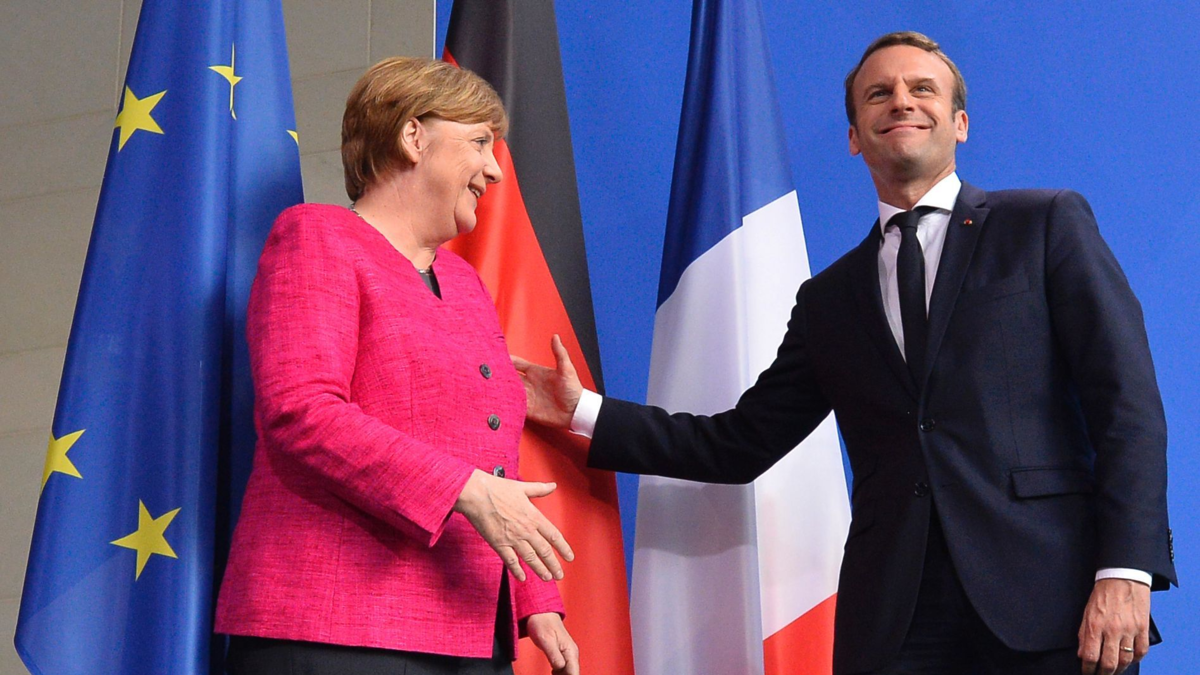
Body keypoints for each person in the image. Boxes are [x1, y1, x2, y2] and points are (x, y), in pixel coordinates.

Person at [516, 32, 1174, 675]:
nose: (902, 101)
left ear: (960, 123)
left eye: (923, 89)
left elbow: (1127, 405)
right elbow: (738, 442)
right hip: (895, 622)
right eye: (879, 94)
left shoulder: (1044, 224)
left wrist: (1126, 569)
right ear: (856, 135)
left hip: (1052, 603)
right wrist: (582, 411)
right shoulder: (829, 299)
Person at [214, 57, 579, 675]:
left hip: (471, 625)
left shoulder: (464, 282)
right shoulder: (317, 237)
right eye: (480, 142)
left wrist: (534, 599)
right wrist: (462, 489)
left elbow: (491, 456)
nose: (494, 169)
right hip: (337, 629)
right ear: (413, 136)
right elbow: (301, 412)